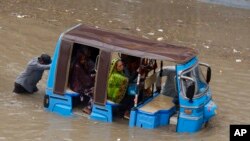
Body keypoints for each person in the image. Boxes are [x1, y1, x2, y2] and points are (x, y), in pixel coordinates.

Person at [69, 48, 95, 114]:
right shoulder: (78, 67)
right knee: (94, 92)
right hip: (78, 87)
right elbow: (86, 81)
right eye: (82, 59)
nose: (84, 61)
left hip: (76, 85)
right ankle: (88, 108)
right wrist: (92, 78)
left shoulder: (77, 64)